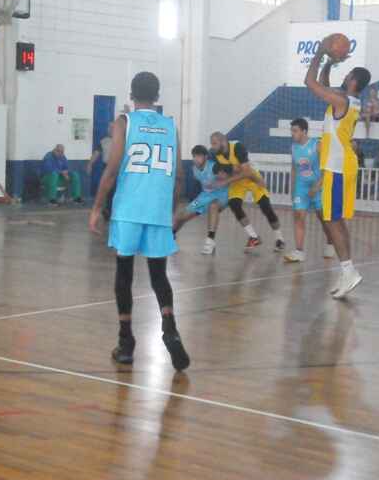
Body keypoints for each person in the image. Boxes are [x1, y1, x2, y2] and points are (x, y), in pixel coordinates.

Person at [88, 71, 190, 372]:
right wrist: (170, 212)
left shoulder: (125, 122)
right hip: (158, 211)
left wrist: (96, 208)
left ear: (131, 96)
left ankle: (126, 342)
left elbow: (111, 169)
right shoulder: (171, 126)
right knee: (159, 276)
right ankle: (169, 327)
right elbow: (180, 176)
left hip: (129, 210)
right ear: (157, 96)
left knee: (124, 274)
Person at [304, 35, 372, 300]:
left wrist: (321, 51)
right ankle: (347, 271)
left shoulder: (342, 101)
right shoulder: (346, 100)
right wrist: (330, 63)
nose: (346, 75)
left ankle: (349, 270)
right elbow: (323, 84)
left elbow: (310, 84)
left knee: (331, 219)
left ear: (353, 80)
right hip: (343, 164)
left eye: (348, 72)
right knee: (335, 219)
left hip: (338, 165)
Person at [209, 132, 285, 252]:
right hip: (237, 181)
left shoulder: (237, 147)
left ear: (223, 141)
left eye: (214, 143)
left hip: (252, 178)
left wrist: (227, 179)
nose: (212, 147)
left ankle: (279, 239)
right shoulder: (215, 154)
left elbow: (247, 172)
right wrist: (218, 179)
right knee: (234, 205)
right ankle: (254, 237)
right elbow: (221, 171)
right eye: (211, 144)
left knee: (266, 207)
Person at [284, 118, 335, 263]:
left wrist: (318, 185)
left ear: (304, 131)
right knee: (299, 216)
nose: (292, 134)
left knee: (323, 219)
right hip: (301, 187)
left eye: (295, 131)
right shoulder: (293, 147)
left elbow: (327, 167)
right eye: (291, 131)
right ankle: (299, 251)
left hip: (317, 186)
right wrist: (292, 189)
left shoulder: (317, 145)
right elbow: (294, 168)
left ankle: (330, 243)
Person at [172, 146, 229, 255]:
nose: (196, 159)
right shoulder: (194, 169)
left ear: (206, 157)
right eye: (194, 156)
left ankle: (210, 241)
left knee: (213, 206)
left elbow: (227, 178)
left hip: (221, 195)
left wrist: (219, 179)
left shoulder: (214, 167)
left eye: (199, 156)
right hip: (205, 196)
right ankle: (170, 237)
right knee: (181, 215)